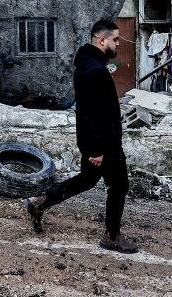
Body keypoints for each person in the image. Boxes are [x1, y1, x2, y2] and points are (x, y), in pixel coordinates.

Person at [24, 19, 138, 254]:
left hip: (99, 141)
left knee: (88, 179)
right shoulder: (94, 70)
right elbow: (90, 114)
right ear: (102, 40)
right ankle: (112, 236)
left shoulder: (90, 65)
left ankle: (40, 203)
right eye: (115, 39)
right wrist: (98, 150)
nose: (118, 44)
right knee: (119, 185)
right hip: (103, 144)